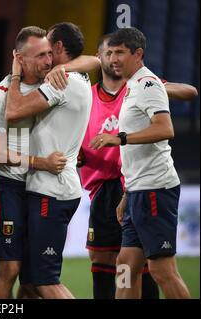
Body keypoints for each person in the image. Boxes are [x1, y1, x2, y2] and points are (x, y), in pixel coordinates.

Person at [78, 34, 198, 299]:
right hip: (137, 190)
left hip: (155, 188)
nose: (114, 59)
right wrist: (128, 194)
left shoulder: (147, 84)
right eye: (110, 53)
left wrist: (119, 137)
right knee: (125, 264)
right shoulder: (133, 86)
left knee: (162, 271)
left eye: (121, 52)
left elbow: (165, 128)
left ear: (138, 54)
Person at [0, 25, 99, 299]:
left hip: (39, 188)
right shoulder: (0, 96)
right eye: (39, 56)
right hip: (8, 185)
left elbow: (96, 59)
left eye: (50, 54)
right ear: (19, 58)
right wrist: (39, 162)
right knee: (10, 269)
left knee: (33, 277)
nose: (48, 61)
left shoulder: (52, 81)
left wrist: (67, 66)